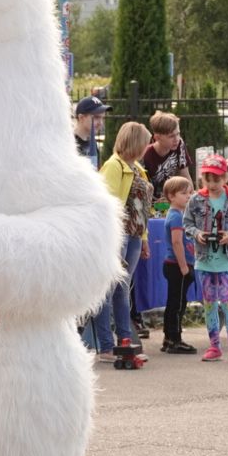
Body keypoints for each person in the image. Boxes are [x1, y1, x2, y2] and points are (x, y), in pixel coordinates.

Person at [90, 120, 152, 356]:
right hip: (117, 236)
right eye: (144, 143)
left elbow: (142, 208)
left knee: (122, 289)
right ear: (135, 142)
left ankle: (125, 342)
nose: (146, 147)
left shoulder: (136, 168)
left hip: (133, 235)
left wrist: (144, 237)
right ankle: (107, 346)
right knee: (108, 290)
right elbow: (108, 205)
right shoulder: (113, 166)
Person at [184, 156, 228, 362]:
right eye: (208, 179)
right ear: (202, 179)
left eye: (217, 179)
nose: (212, 184)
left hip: (227, 259)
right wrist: (197, 234)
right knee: (209, 303)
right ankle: (214, 345)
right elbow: (187, 224)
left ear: (226, 178)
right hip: (204, 260)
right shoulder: (195, 200)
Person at [160, 176, 197, 355]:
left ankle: (169, 337)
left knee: (175, 302)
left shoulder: (179, 214)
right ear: (171, 196)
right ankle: (175, 339)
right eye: (184, 193)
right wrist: (183, 266)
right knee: (178, 304)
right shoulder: (176, 217)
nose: (188, 196)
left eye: (189, 193)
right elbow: (177, 242)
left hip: (177, 264)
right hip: (177, 265)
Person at [141, 111, 195, 198]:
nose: (176, 139)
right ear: (157, 137)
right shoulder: (146, 155)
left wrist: (191, 198)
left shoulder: (179, 144)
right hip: (153, 201)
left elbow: (185, 175)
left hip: (173, 198)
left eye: (178, 134)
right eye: (171, 136)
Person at [73, 96, 108, 165]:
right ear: (81, 118)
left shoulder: (93, 143)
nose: (101, 123)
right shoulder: (70, 144)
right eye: (96, 117)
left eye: (102, 118)